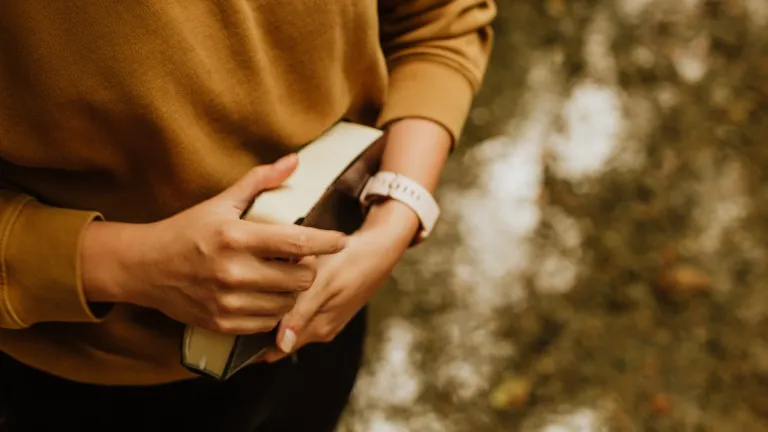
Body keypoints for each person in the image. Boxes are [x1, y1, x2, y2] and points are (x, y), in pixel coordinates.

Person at [0, 1, 497, 431]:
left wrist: (395, 217)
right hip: (75, 378)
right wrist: (127, 264)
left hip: (330, 309)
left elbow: (437, 21)